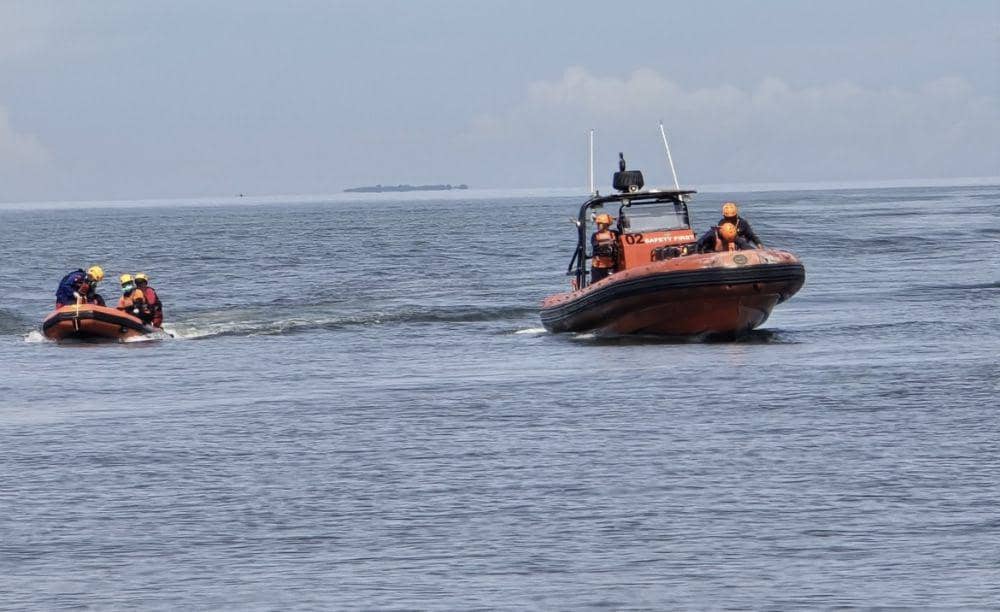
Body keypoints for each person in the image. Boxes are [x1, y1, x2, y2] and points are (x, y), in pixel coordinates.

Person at [590, 212, 619, 284]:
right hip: (598, 265)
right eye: (598, 224)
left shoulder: (614, 233)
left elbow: (623, 231)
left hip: (611, 264)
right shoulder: (595, 235)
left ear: (606, 225)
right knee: (596, 282)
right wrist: (608, 242)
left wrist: (617, 219)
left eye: (600, 224)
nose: (598, 226)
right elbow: (595, 245)